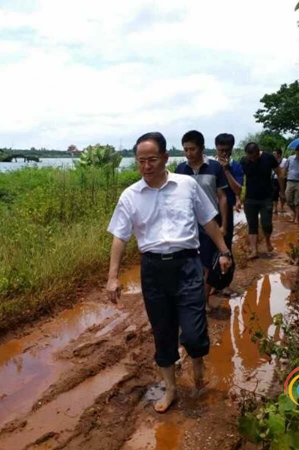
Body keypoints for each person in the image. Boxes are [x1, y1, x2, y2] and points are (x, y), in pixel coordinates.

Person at [106, 132, 232, 413]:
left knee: (193, 333)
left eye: (152, 159)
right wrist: (113, 276)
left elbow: (208, 221)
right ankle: (171, 389)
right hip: (153, 270)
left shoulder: (186, 185)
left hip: (187, 265)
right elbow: (120, 238)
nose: (146, 166)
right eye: (141, 161)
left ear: (165, 158)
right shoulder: (130, 196)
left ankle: (197, 360)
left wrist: (224, 251)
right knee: (162, 332)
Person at [175, 130, 228, 310]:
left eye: (192, 149)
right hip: (187, 223)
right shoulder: (180, 170)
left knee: (207, 264)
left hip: (210, 223)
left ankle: (203, 301)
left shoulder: (214, 168)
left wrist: (224, 225)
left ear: (202, 148)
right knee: (188, 262)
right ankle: (189, 298)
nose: (189, 153)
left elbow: (222, 197)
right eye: (186, 150)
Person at [239, 143, 285, 259]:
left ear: (258, 151)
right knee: (252, 225)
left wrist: (282, 191)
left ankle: (268, 241)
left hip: (266, 197)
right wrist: (238, 197)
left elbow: (280, 173)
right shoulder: (244, 161)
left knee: (266, 224)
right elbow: (239, 179)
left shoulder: (268, 157)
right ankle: (254, 251)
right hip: (250, 198)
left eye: (254, 156)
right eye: (249, 157)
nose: (252, 159)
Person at [213, 133, 244, 250]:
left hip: (226, 212)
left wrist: (226, 170)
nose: (224, 154)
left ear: (232, 149)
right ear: (216, 148)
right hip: (208, 211)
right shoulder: (209, 166)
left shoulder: (235, 167)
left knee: (226, 244)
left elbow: (238, 189)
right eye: (221, 150)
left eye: (228, 150)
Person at [272, 148, 288, 214]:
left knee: (282, 192)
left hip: (283, 178)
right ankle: (275, 207)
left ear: (279, 154)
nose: (273, 155)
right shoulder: (272, 160)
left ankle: (282, 206)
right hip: (274, 179)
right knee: (274, 193)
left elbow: (287, 169)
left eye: (275, 153)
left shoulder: (285, 161)